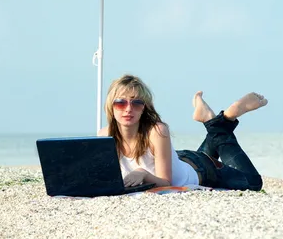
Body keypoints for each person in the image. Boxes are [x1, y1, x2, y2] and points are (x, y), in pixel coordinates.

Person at [98, 74, 268, 191]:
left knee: (253, 183)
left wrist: (143, 174)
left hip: (202, 170)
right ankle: (214, 120)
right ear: (111, 106)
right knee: (212, 142)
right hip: (180, 159)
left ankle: (224, 119)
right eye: (121, 103)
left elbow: (167, 182)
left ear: (144, 108)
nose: (128, 109)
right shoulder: (105, 135)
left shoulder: (157, 131)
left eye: (136, 103)